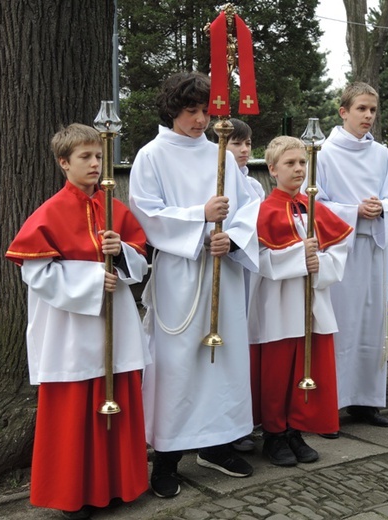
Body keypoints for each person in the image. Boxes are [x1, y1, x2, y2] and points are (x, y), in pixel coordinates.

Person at [5, 123, 150, 520]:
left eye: (99, 156)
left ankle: (120, 483)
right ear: (63, 163)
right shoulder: (48, 213)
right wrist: (89, 279)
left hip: (114, 325)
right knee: (74, 410)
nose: (94, 163)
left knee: (118, 397)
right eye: (85, 156)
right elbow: (35, 273)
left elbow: (140, 261)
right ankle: (75, 493)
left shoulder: (116, 209)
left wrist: (120, 255)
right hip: (69, 330)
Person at [128, 72, 261, 499]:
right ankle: (166, 456)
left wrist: (232, 237)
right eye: (192, 111)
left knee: (222, 362)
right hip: (181, 275)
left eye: (206, 110)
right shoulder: (151, 156)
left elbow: (250, 206)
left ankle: (218, 443)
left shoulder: (220, 152)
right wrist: (201, 220)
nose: (201, 119)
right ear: (172, 110)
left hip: (224, 268)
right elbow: (146, 213)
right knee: (178, 364)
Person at [313, 82, 388, 434]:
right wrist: (353, 210)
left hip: (372, 248)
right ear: (343, 112)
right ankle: (330, 406)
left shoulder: (381, 154)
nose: (368, 115)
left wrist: (382, 206)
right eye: (361, 109)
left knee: (371, 325)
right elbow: (316, 204)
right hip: (340, 251)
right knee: (340, 327)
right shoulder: (324, 154)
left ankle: (366, 402)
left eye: (372, 110)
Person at [248, 136, 352, 465]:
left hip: (312, 300)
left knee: (306, 368)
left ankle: (296, 429)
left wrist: (319, 263)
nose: (298, 169)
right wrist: (297, 257)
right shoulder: (262, 211)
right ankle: (274, 435)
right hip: (276, 303)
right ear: (272, 169)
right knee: (278, 371)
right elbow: (256, 258)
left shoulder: (313, 209)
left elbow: (339, 248)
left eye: (302, 163)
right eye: (290, 163)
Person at [224, 117, 265, 453]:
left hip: (248, 268)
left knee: (244, 345)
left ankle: (245, 418)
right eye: (237, 143)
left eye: (248, 143)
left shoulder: (254, 186)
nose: (244, 149)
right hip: (221, 268)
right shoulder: (216, 178)